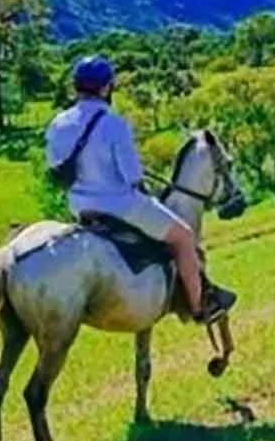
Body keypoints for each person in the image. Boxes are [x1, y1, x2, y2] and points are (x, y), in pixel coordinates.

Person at [46, 55, 233, 324]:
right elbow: (132, 176)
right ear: (107, 88)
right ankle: (200, 306)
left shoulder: (57, 124)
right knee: (183, 236)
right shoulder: (114, 124)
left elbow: (55, 168)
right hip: (121, 207)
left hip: (80, 208)